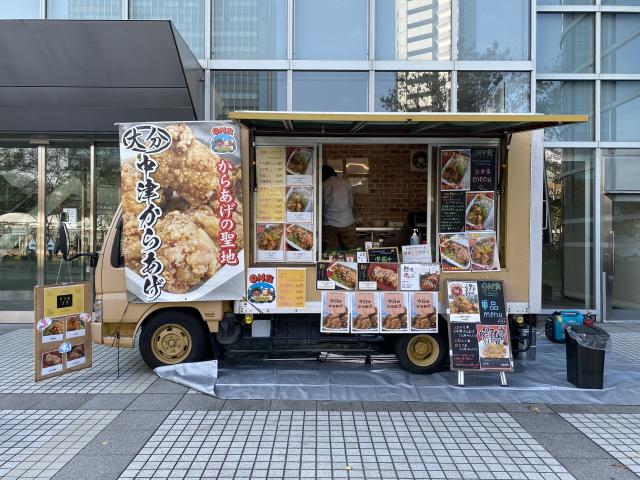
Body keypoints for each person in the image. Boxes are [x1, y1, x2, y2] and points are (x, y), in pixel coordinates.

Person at [322, 165, 357, 251]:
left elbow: (321, 206)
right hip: (347, 222)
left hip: (330, 224)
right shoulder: (346, 183)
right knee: (351, 251)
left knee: (331, 252)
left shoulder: (323, 185)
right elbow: (350, 203)